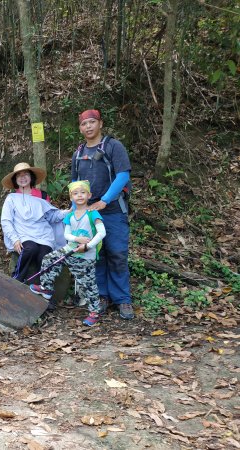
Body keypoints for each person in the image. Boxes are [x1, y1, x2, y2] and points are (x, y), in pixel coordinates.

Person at [72, 109, 133, 319]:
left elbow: (123, 175)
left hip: (114, 209)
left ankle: (122, 299)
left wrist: (104, 200)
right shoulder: (79, 153)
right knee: (96, 255)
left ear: (100, 123)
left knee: (117, 253)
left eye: (92, 122)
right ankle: (101, 297)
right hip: (88, 214)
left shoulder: (113, 146)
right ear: (80, 128)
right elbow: (75, 186)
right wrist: (74, 214)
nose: (88, 127)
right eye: (84, 124)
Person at [29, 181, 106, 325]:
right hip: (69, 250)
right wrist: (77, 239)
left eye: (83, 193)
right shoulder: (70, 215)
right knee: (49, 259)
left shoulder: (92, 214)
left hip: (85, 256)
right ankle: (46, 288)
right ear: (71, 198)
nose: (79, 196)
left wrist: (88, 245)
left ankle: (94, 312)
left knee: (87, 284)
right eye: (75, 193)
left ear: (89, 195)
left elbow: (102, 233)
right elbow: (67, 234)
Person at [0, 162, 69, 287]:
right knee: (30, 249)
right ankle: (16, 281)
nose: (22, 177)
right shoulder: (11, 198)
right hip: (23, 233)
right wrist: (14, 239)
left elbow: (51, 216)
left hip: (44, 234)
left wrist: (67, 213)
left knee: (45, 256)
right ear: (15, 180)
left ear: (31, 177)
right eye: (19, 175)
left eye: (25, 174)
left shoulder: (42, 196)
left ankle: (45, 289)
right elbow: (6, 220)